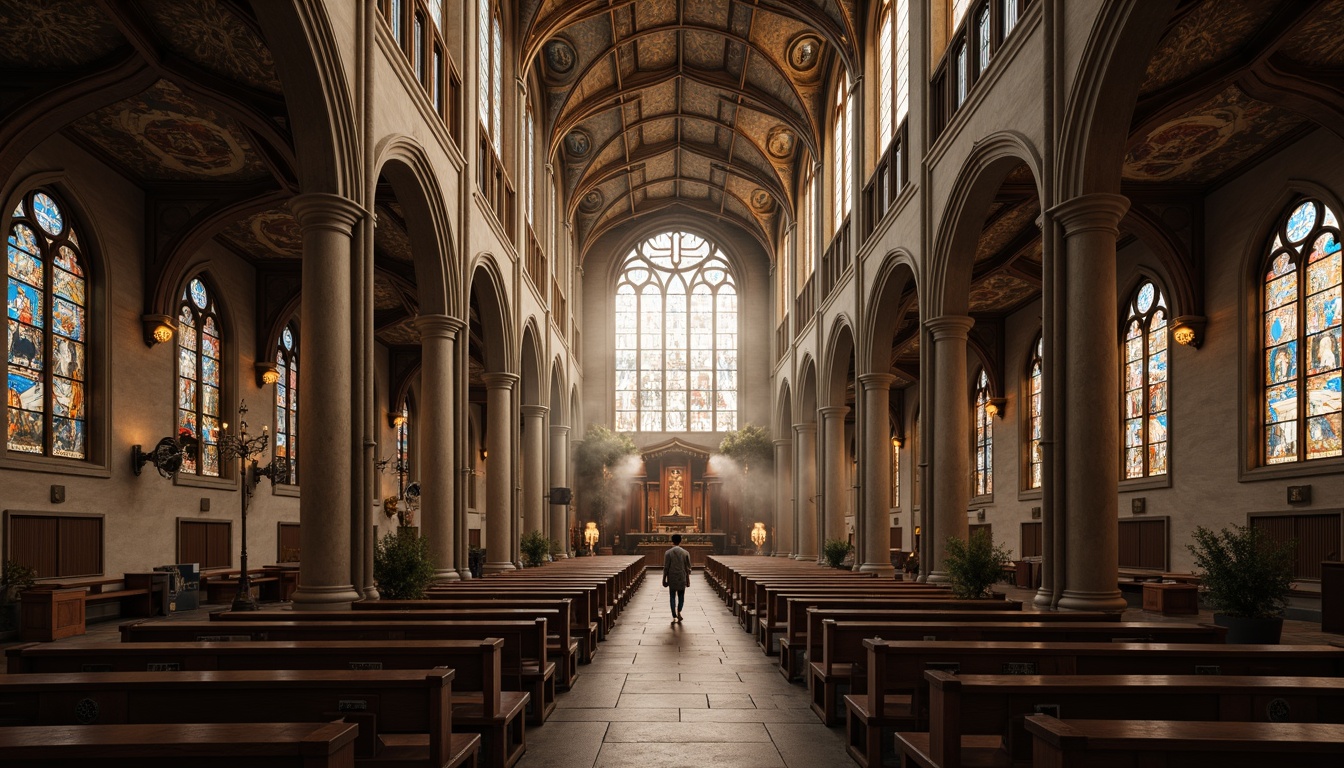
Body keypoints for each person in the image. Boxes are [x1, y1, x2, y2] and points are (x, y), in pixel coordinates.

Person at [662, 533, 692, 622]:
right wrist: (688, 579)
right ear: (680, 541)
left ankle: (674, 615)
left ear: (672, 541)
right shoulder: (685, 553)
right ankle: (679, 611)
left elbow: (666, 567)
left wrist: (664, 579)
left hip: (671, 576)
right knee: (681, 596)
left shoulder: (668, 552)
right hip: (682, 576)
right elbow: (688, 568)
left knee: (672, 596)